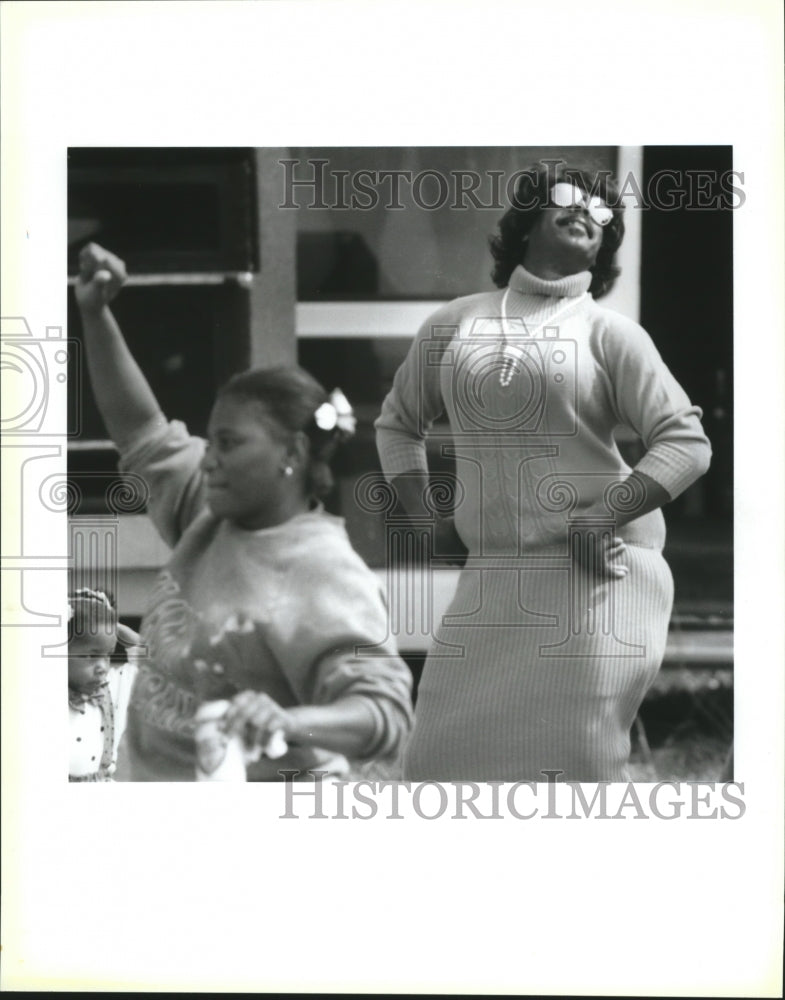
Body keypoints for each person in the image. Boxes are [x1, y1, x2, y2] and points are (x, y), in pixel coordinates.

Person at [375, 161, 712, 782]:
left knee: (572, 771)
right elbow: (397, 423)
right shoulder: (455, 322)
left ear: (606, 243)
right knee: (438, 764)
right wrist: (423, 513)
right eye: (568, 196)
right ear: (527, 219)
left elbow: (686, 442)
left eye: (603, 212)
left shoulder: (612, 334)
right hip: (495, 578)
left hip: (600, 579)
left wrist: (603, 516)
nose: (586, 209)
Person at [75, 243, 413, 782]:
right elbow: (139, 428)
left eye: (229, 444)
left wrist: (288, 717)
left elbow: (384, 714)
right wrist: (94, 312)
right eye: (210, 442)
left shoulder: (323, 569)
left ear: (293, 454)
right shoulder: (210, 513)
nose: (209, 460)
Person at [68, 588, 139, 782]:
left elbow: (151, 662)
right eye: (91, 656)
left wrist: (108, 624)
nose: (102, 667)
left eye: (107, 655)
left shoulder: (113, 687)